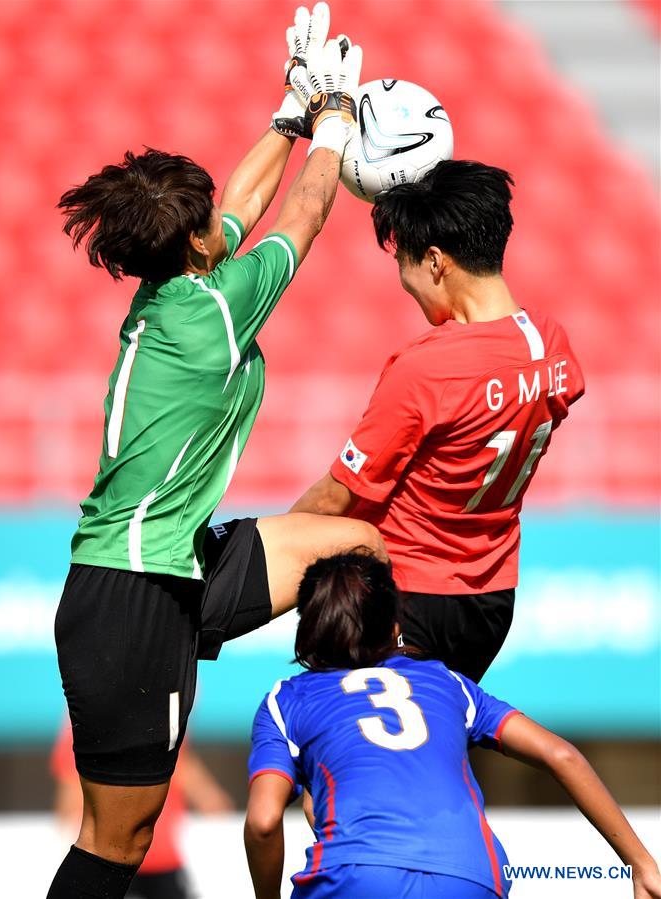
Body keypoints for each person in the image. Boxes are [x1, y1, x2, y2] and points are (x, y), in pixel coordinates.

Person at [45, 10, 385, 898]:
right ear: (195, 245)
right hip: (133, 597)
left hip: (167, 567)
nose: (220, 224)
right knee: (116, 843)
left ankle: (373, 738)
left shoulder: (179, 287)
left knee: (353, 542)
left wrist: (292, 109)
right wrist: (339, 117)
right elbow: (305, 212)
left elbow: (238, 204)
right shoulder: (216, 312)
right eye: (208, 224)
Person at [291, 160, 585, 683]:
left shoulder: (429, 368)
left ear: (434, 261)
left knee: (363, 756)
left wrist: (268, 545)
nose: (406, 283)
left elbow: (337, 497)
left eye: (402, 263)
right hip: (490, 603)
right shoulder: (552, 348)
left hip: (406, 598)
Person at [245, 552, 661, 899]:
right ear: (395, 625)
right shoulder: (447, 682)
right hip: (471, 873)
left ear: (308, 627)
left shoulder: (286, 700)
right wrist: (640, 865)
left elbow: (264, 822)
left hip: (356, 875)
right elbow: (561, 754)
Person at [51, 717, 233, 899]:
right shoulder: (158, 726)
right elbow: (200, 787)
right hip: (141, 854)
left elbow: (68, 804)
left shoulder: (84, 734)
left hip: (119, 855)